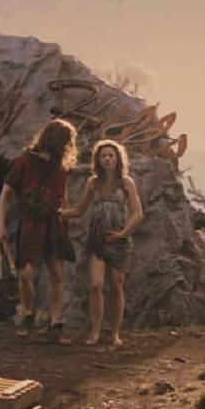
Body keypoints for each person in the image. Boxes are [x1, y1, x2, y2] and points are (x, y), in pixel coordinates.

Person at [0, 119, 78, 345]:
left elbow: (63, 196)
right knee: (26, 274)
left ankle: (56, 325)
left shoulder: (61, 167)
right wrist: (0, 224)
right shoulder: (23, 162)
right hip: (31, 223)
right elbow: (5, 194)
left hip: (54, 223)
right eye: (65, 141)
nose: (68, 146)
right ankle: (27, 312)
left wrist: (66, 216)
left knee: (57, 274)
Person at [60, 139, 143, 346]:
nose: (107, 159)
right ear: (98, 159)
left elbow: (138, 213)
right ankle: (95, 331)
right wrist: (58, 213)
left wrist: (123, 234)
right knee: (95, 284)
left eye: (111, 155)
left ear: (117, 159)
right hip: (97, 238)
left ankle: (115, 333)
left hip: (119, 239)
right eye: (103, 155)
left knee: (116, 285)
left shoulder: (126, 182)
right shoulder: (93, 183)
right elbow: (79, 210)